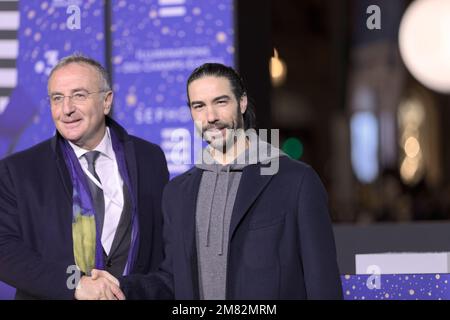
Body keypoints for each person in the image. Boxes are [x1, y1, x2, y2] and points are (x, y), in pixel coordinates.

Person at [93, 62, 343, 299]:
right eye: (199, 106)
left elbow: (322, 283)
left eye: (220, 102)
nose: (210, 116)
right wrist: (120, 287)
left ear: (242, 102)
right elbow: (172, 280)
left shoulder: (295, 181)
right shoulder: (178, 193)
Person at [0, 54, 169, 299]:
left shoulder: (149, 158)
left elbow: (164, 250)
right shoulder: (19, 171)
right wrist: (74, 284)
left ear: (106, 101)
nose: (67, 109)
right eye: (57, 98)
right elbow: (4, 249)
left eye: (79, 95)